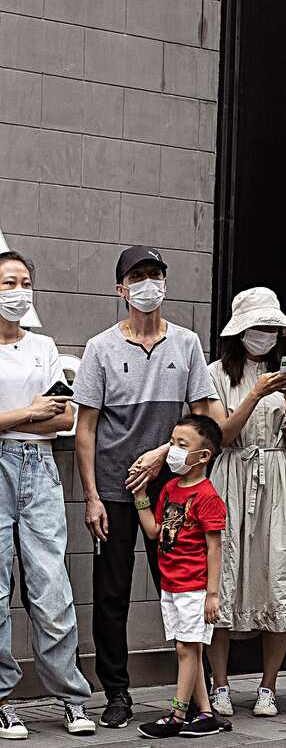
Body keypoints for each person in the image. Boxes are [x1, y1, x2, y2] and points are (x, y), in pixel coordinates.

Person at [74, 246, 221, 729]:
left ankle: (199, 700)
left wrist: (163, 453)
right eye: (137, 276)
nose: (147, 283)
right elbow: (87, 429)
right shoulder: (100, 347)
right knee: (112, 593)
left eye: (154, 274)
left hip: (174, 488)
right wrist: (93, 496)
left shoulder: (186, 343)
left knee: (181, 588)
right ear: (121, 289)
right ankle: (117, 692)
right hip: (116, 492)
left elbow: (203, 417)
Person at [205, 288, 286, 719]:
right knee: (223, 577)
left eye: (273, 328)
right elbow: (220, 435)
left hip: (275, 479)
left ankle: (268, 686)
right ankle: (219, 685)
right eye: (260, 327)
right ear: (240, 331)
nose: (267, 335)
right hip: (229, 475)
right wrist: (255, 394)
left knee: (279, 574)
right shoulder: (216, 373)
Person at [0, 251, 96, 737]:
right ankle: (0, 699)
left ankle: (72, 698)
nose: (18, 291)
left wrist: (30, 414)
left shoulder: (44, 347)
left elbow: (64, 417)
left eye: (24, 282)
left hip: (38, 466)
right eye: (7, 282)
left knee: (51, 587)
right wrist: (30, 411)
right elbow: (43, 412)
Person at [132, 415, 226, 738]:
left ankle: (176, 714)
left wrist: (212, 594)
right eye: (172, 442)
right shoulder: (170, 489)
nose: (172, 450)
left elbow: (215, 548)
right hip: (170, 585)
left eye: (181, 445)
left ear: (204, 456)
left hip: (194, 587)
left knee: (188, 649)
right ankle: (205, 714)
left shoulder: (208, 496)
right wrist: (140, 495)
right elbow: (154, 531)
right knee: (188, 649)